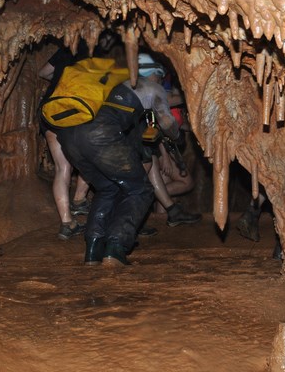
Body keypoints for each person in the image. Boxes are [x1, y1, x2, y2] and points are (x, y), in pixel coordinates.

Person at [57, 52, 199, 266]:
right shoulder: (152, 88)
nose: (161, 81)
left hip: (68, 136)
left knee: (108, 189)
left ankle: (93, 250)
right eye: (161, 77)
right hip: (100, 134)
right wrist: (177, 136)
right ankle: (115, 248)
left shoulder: (112, 84)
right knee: (140, 189)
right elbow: (168, 126)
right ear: (156, 74)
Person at [138, 55, 201, 228]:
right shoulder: (150, 92)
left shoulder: (147, 90)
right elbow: (155, 123)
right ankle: (155, 203)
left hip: (158, 147)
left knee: (164, 182)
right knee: (185, 182)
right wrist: (164, 155)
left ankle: (162, 217)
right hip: (155, 147)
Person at [38, 40, 93, 240]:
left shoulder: (66, 51)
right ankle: (79, 199)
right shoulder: (97, 57)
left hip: (50, 111)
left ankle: (66, 223)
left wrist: (58, 80)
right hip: (74, 113)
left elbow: (43, 73)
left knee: (62, 168)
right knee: (90, 158)